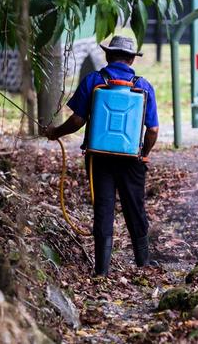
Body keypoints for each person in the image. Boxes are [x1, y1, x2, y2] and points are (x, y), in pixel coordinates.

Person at [44, 36, 159, 275]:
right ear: (130, 59)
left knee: (103, 209)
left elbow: (77, 120)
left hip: (99, 159)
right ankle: (143, 264)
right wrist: (144, 155)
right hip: (131, 160)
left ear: (108, 56)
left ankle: (101, 271)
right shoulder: (143, 86)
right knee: (135, 208)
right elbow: (153, 129)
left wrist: (56, 132)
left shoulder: (94, 81)